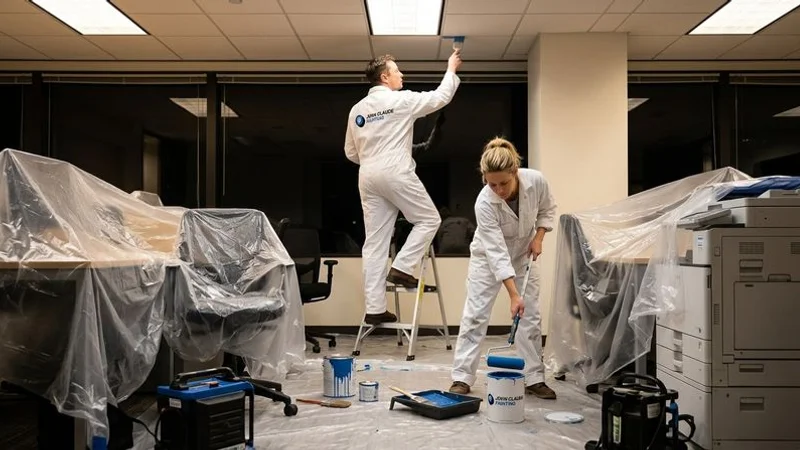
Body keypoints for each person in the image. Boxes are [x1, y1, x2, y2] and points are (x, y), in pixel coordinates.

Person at [344, 50, 462, 325]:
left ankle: (375, 308)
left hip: (367, 175)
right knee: (429, 219)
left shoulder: (357, 110)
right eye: (397, 71)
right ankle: (402, 267)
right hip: (395, 170)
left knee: (375, 243)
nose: (402, 75)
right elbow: (440, 97)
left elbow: (350, 152)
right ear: (385, 77)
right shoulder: (401, 100)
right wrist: (451, 69)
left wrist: (373, 158)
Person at [448, 137, 558, 400]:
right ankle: (462, 377)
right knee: (475, 315)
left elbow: (547, 209)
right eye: (491, 184)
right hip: (487, 259)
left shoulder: (536, 181)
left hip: (523, 255)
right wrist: (513, 294)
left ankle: (534, 378)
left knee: (530, 317)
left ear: (515, 172)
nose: (498, 190)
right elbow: (497, 253)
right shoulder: (484, 203)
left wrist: (539, 237)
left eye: (504, 183)